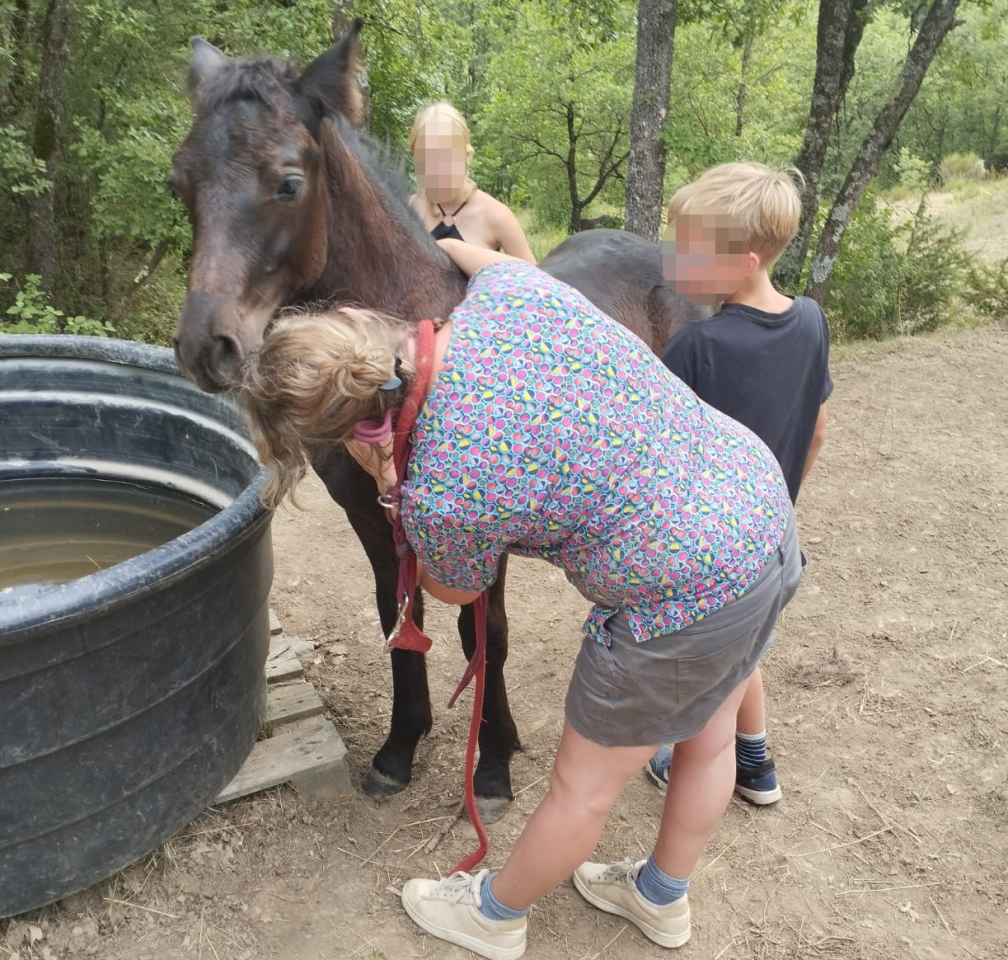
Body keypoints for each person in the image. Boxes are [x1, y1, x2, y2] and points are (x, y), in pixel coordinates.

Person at [239, 239, 802, 959]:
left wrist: (391, 485)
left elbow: (455, 589)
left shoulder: (441, 489)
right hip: (757, 509)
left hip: (680, 596)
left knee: (581, 788)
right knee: (712, 735)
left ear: (347, 434)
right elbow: (484, 260)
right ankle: (660, 896)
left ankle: (495, 915)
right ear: (362, 320)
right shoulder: (513, 298)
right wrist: (447, 244)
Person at [645, 162, 832, 806]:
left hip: (714, 549)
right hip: (774, 534)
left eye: (686, 248)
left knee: (713, 675)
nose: (671, 258)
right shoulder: (811, 320)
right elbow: (817, 433)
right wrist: (779, 502)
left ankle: (710, 760)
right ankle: (757, 765)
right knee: (747, 651)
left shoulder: (698, 348)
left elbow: (653, 458)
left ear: (743, 261)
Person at [408, 101, 536, 262]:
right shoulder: (405, 210)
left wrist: (451, 248)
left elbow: (534, 280)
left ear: (467, 156)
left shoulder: (496, 216)